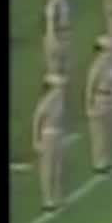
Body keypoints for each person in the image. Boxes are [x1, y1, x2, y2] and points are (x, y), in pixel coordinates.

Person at [32, 74, 68, 214]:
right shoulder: (46, 102)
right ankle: (47, 200)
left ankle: (58, 196)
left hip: (58, 134)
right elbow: (37, 121)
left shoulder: (58, 99)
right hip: (48, 135)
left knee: (58, 167)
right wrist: (36, 140)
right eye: (57, 86)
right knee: (47, 169)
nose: (60, 88)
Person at [84, 35, 112, 174]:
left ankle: (106, 160)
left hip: (109, 98)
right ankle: (98, 163)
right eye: (108, 49)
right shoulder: (96, 67)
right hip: (99, 99)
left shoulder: (110, 66)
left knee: (108, 132)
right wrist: (89, 106)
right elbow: (90, 87)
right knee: (98, 133)